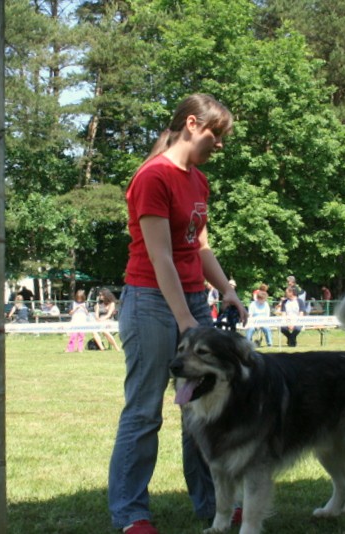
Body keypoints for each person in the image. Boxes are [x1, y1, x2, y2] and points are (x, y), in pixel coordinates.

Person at [108, 93, 247, 534]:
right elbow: (161, 257)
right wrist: (186, 321)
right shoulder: (153, 177)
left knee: (203, 409)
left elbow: (198, 245)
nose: (219, 145)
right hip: (150, 301)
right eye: (216, 134)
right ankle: (131, 515)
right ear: (192, 123)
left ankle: (214, 507)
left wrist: (224, 289)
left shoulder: (197, 181)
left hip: (192, 301)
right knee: (145, 411)